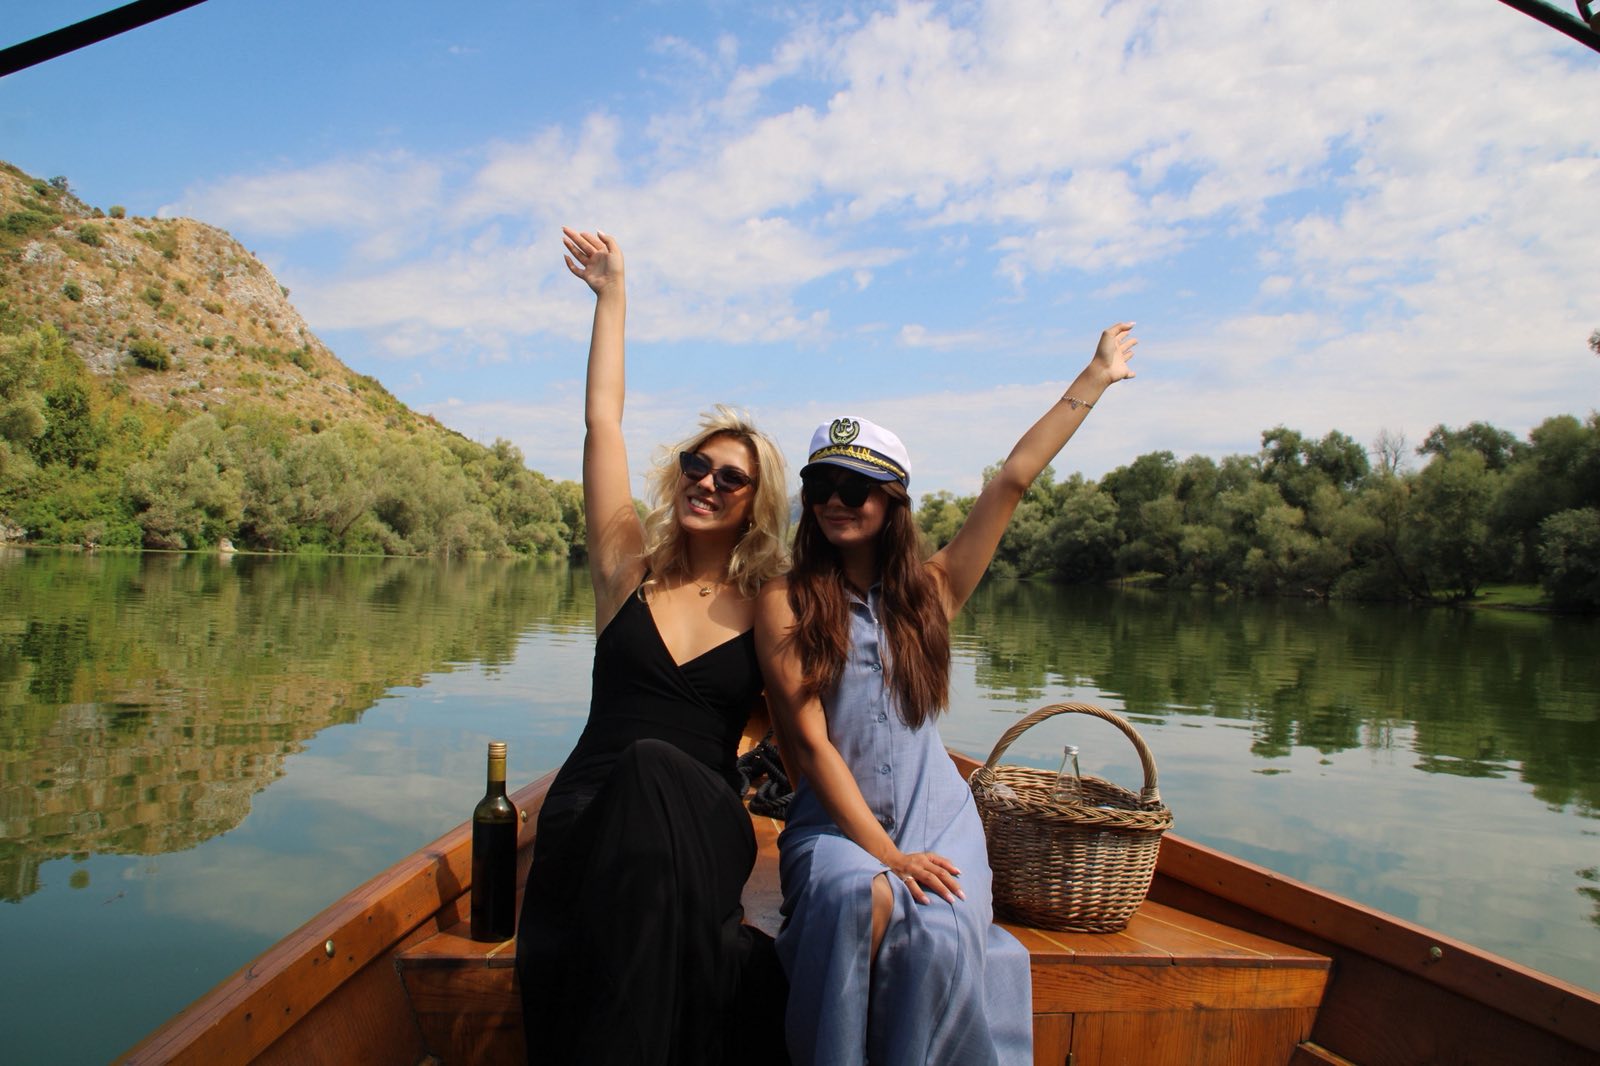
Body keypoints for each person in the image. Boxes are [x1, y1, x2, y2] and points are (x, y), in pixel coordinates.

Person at [754, 323, 1138, 1065]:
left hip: (939, 819)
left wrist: (1092, 378)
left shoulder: (932, 591)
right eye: (822, 486)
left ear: (892, 501)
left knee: (935, 930)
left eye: (857, 489)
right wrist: (888, 856)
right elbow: (809, 745)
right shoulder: (786, 599)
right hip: (838, 826)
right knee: (852, 899)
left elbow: (1013, 480)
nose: (837, 501)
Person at [514, 228, 792, 1065]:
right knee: (632, 769)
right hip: (590, 809)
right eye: (695, 465)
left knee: (655, 766)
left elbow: (805, 731)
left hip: (701, 814)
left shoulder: (766, 602)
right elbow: (603, 420)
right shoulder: (624, 569)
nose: (707, 481)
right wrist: (612, 296)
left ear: (754, 501)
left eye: (730, 476)